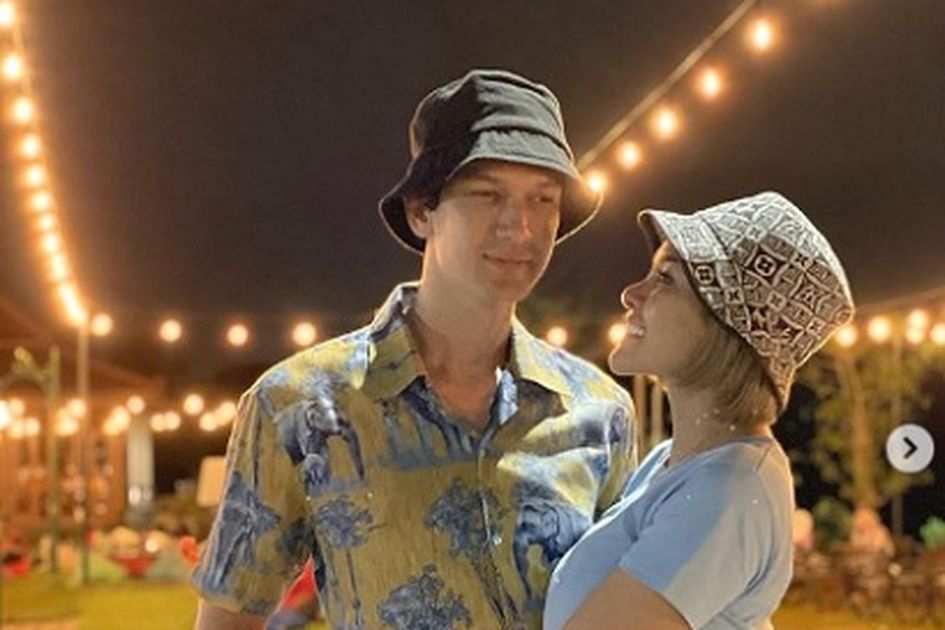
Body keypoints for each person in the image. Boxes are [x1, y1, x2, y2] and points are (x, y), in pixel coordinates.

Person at [192, 68, 637, 629]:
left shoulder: (600, 412)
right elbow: (229, 617)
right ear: (422, 211)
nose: (520, 226)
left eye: (543, 199)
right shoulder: (299, 407)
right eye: (488, 194)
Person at [543, 191, 855, 629]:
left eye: (665, 279)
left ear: (725, 325)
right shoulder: (672, 463)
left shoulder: (730, 485)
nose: (632, 294)